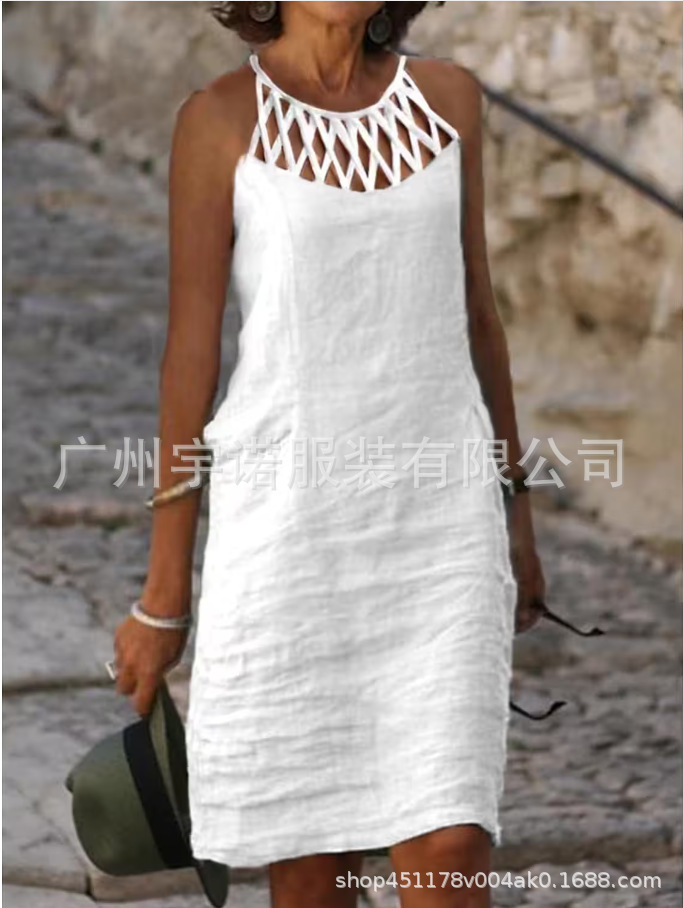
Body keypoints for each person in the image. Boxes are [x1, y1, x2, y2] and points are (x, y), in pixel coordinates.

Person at [114, 3, 546, 906]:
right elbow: (189, 360)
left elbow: (479, 317)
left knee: (451, 843)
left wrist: (516, 516)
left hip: (439, 529)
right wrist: (163, 596)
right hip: (287, 537)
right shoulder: (218, 119)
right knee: (313, 869)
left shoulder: (450, 100)